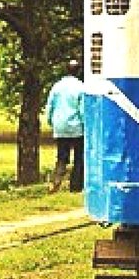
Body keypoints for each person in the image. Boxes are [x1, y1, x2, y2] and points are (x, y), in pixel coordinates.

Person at [45, 59, 85, 193]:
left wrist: (51, 121)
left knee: (62, 157)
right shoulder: (81, 87)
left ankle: (55, 183)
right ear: (78, 71)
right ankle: (75, 186)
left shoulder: (57, 86)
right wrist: (85, 124)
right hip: (76, 127)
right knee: (79, 157)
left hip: (60, 126)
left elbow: (50, 106)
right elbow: (82, 109)